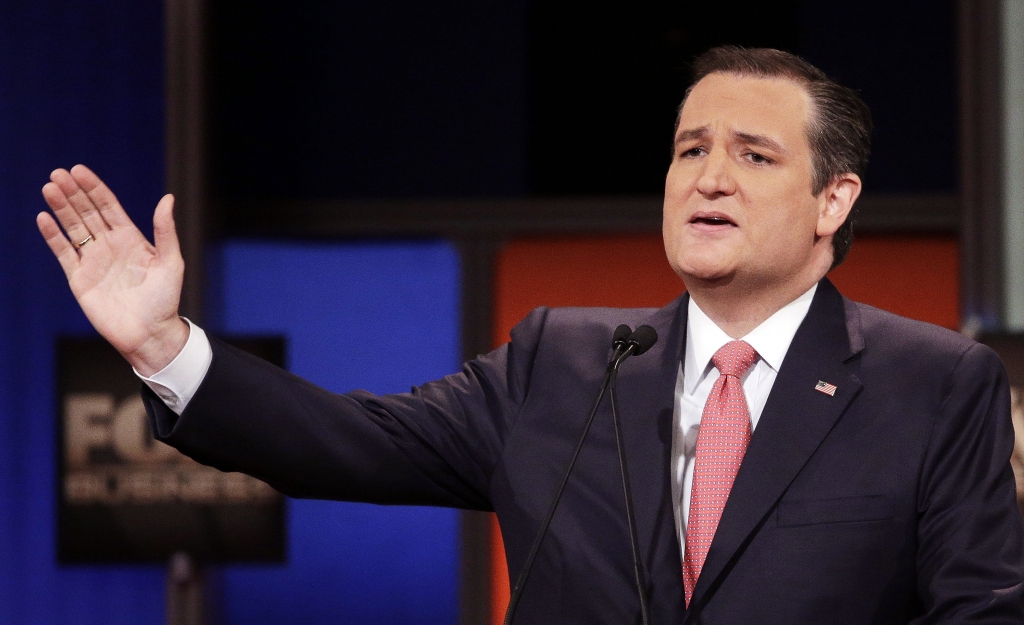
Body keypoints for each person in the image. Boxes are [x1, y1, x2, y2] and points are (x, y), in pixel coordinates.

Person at [38, 46, 1024, 624]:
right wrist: (163, 344)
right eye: (689, 149)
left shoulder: (932, 384)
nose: (706, 177)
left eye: (752, 155)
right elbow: (346, 440)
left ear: (831, 199)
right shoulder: (562, 361)